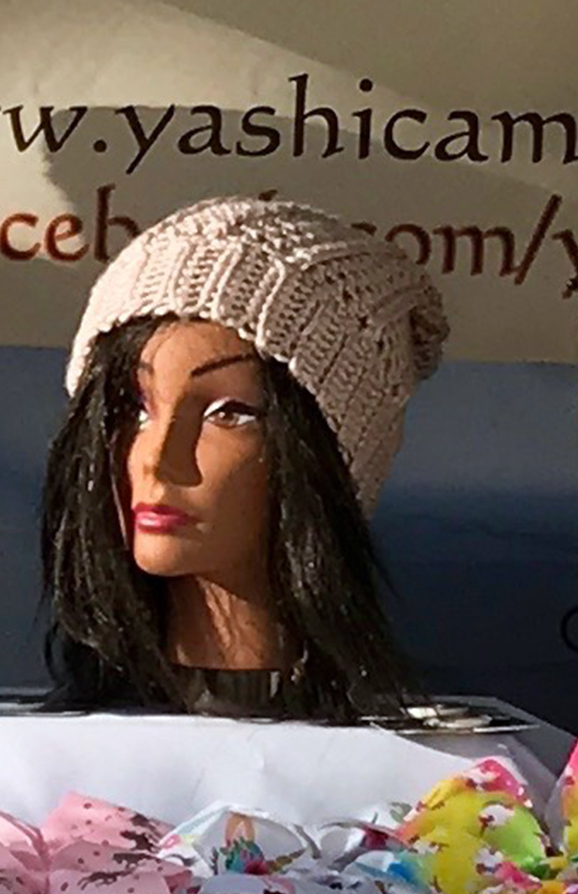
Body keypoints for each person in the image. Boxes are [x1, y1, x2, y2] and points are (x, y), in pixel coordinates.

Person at [41, 198, 448, 721]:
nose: (158, 461)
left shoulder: (436, 764)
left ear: (325, 456)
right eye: (133, 408)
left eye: (229, 413)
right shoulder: (5, 754)